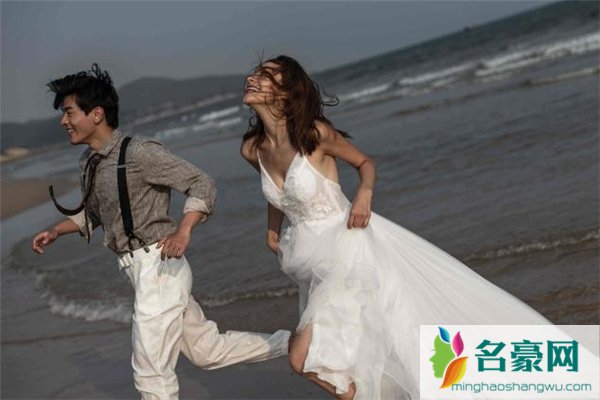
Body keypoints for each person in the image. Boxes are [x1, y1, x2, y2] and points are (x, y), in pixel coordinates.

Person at [239, 55, 553, 400]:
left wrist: (364, 196)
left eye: (266, 75)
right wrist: (271, 231)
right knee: (351, 354)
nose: (253, 78)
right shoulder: (253, 149)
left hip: (348, 250)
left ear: (286, 92)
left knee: (305, 358)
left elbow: (365, 163)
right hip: (309, 259)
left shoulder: (315, 134)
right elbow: (280, 193)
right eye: (255, 73)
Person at [32, 63, 290, 400]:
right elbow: (97, 212)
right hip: (141, 272)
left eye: (69, 112)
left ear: (96, 114)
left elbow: (201, 183)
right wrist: (57, 230)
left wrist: (184, 230)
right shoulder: (89, 161)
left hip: (159, 267)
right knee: (207, 351)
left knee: (151, 373)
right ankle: (296, 343)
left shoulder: (139, 152)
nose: (63, 121)